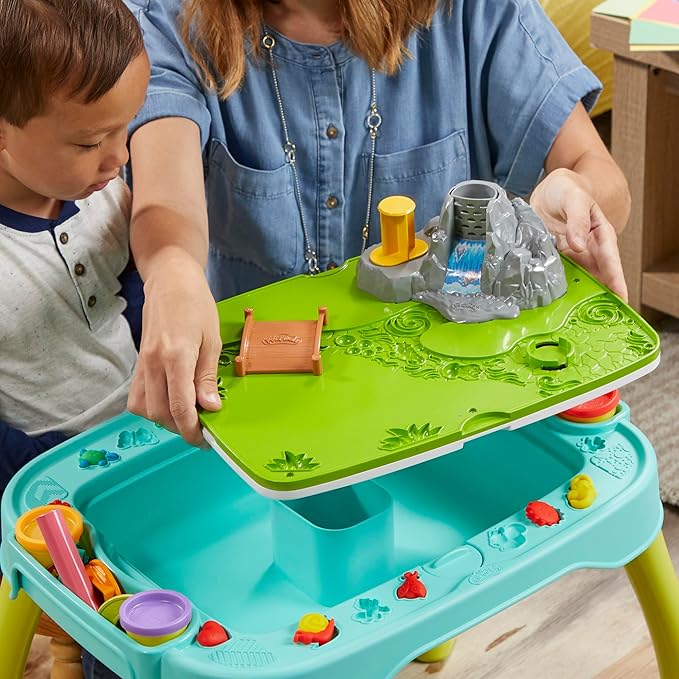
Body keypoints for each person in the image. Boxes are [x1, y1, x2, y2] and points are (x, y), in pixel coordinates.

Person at [123, 0, 631, 447]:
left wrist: (569, 200)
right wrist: (171, 271)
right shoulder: (170, 19)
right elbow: (165, 201)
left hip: (455, 418)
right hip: (262, 425)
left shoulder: (474, 13)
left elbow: (598, 174)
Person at [0, 0, 150, 501]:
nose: (119, 156)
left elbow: (132, 291)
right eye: (89, 144)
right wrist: (45, 471)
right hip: (48, 480)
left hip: (146, 437)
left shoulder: (103, 191)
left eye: (125, 126)